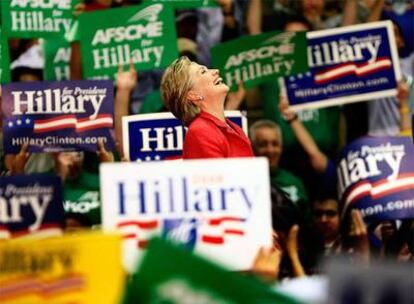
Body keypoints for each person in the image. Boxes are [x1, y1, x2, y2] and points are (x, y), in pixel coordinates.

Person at [160, 56, 254, 159]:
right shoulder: (200, 132)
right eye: (203, 72)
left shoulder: (234, 128)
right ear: (193, 95)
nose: (216, 71)